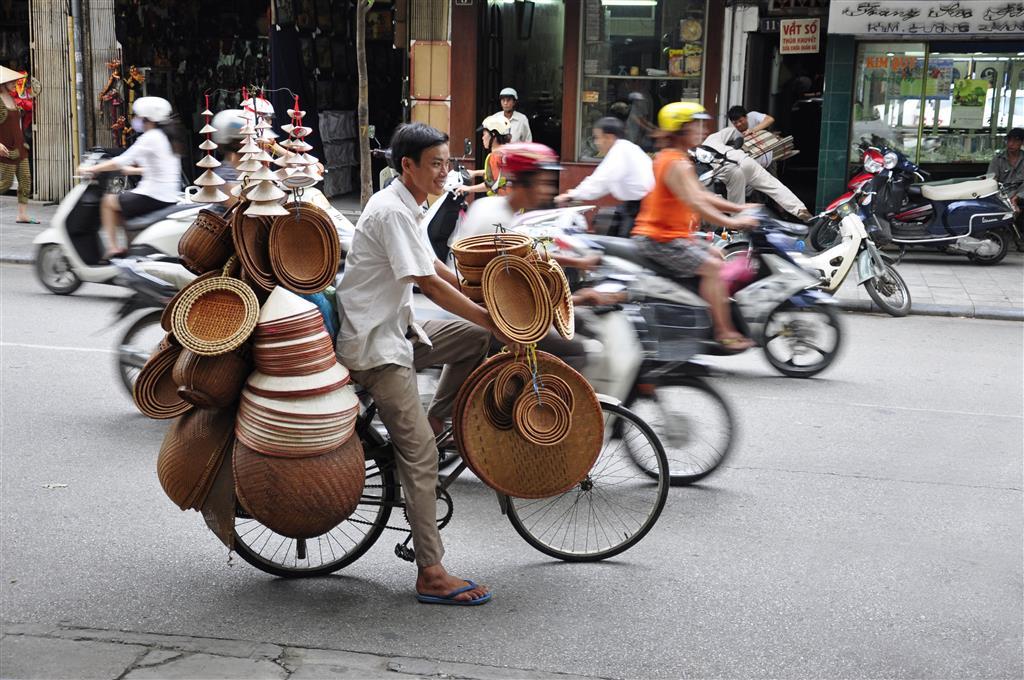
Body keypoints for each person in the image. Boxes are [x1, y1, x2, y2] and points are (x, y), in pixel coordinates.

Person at [335, 122, 519, 606]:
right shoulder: (392, 212)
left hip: (400, 331)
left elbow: (437, 268)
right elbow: (428, 284)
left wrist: (484, 305)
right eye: (434, 164)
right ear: (407, 166)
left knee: (475, 337)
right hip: (376, 349)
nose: (444, 172)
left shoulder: (407, 204)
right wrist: (493, 319)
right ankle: (431, 574)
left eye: (447, 163)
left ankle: (437, 416)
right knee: (422, 457)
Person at [457, 142, 621, 370]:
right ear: (523, 184)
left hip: (499, 309)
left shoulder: (493, 207)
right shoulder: (500, 223)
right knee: (577, 351)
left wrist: (579, 262)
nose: (548, 191)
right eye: (543, 183)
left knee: (580, 320)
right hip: (491, 319)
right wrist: (580, 299)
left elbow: (532, 254)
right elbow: (520, 298)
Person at [631, 102, 759, 352]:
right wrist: (734, 222)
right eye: (695, 125)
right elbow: (696, 202)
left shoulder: (678, 158)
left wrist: (741, 208)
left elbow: (701, 194)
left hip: (674, 236)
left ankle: (703, 316)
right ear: (679, 130)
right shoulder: (674, 163)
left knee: (716, 254)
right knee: (712, 267)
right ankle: (724, 332)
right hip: (659, 239)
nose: (702, 130)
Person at [77, 96, 182, 259]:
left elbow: (120, 160)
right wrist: (131, 171)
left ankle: (112, 248)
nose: (136, 120)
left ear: (148, 118)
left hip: (152, 195)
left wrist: (91, 168)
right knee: (121, 209)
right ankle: (130, 249)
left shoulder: (151, 137)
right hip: (168, 196)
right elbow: (156, 168)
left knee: (108, 201)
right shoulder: (167, 138)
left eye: (138, 116)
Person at [555, 116, 654, 237]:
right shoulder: (626, 148)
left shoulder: (620, 151)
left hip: (640, 208)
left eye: (597, 137)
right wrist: (576, 194)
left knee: (623, 246)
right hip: (634, 206)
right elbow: (606, 183)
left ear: (609, 137)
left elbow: (600, 180)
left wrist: (572, 194)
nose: (596, 142)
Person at [701, 126, 813, 222]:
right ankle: (799, 209)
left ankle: (738, 231)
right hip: (742, 159)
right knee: (773, 185)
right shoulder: (712, 138)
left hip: (729, 172)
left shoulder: (695, 160)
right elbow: (735, 132)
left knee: (737, 205)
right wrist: (736, 147)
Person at [0, 65, 35, 223]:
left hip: (20, 146)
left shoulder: (13, 98)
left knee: (26, 179)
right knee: (4, 183)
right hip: (5, 147)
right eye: (11, 80)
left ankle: (22, 214)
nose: (15, 82)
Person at [457, 114, 511, 197]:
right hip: (515, 204)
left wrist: (467, 188)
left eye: (484, 134)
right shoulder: (508, 152)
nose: (482, 138)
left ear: (493, 135)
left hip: (501, 204)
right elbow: (499, 174)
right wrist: (475, 173)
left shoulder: (495, 156)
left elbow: (490, 184)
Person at [706, 106, 776, 168]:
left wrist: (753, 130)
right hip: (755, 164)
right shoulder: (734, 133)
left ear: (746, 117)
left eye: (740, 121)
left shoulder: (753, 115)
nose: (739, 124)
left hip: (769, 156)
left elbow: (770, 119)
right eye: (735, 123)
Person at [988, 128, 1023, 213]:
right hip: (1002, 196)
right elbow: (990, 181)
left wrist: (1017, 197)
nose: (1011, 144)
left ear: (1022, 142)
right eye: (1009, 140)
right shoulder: (997, 159)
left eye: (1015, 141)